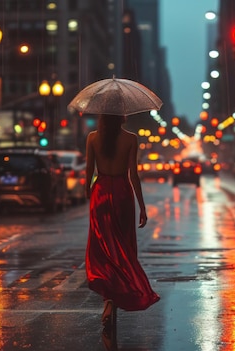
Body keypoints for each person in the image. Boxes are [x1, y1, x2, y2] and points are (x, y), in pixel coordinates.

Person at [84, 114, 160, 333]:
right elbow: (133, 175)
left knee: (103, 248)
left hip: (100, 193)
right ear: (121, 116)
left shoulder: (92, 138)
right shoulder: (131, 138)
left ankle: (108, 297)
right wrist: (142, 206)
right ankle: (118, 293)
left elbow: (89, 172)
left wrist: (89, 195)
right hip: (122, 193)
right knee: (123, 247)